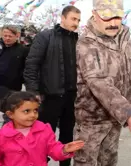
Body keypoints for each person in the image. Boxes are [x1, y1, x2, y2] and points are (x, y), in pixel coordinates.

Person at [74, 0, 131, 165]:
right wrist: (128, 114)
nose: (114, 23)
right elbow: (98, 82)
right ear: (94, 14)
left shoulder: (123, 36)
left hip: (115, 118)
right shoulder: (86, 43)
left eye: (117, 17)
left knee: (109, 161)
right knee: (85, 161)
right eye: (107, 17)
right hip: (92, 120)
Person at [23, 6, 81, 166]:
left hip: (71, 98)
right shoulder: (45, 36)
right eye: (73, 19)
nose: (76, 23)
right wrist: (33, 93)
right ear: (63, 18)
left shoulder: (78, 41)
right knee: (43, 138)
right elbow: (31, 65)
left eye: (78, 20)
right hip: (48, 97)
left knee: (68, 137)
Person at [0, 91, 84, 166]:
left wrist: (64, 150)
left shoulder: (44, 130)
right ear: (10, 114)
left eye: (35, 110)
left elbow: (52, 148)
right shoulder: (1, 136)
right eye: (26, 111)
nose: (33, 115)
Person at [0, 25, 29, 124]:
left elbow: (27, 68)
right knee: (4, 111)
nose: (7, 38)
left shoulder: (23, 50)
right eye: (5, 35)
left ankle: (7, 134)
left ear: (17, 36)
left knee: (10, 114)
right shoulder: (0, 49)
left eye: (10, 36)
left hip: (14, 89)